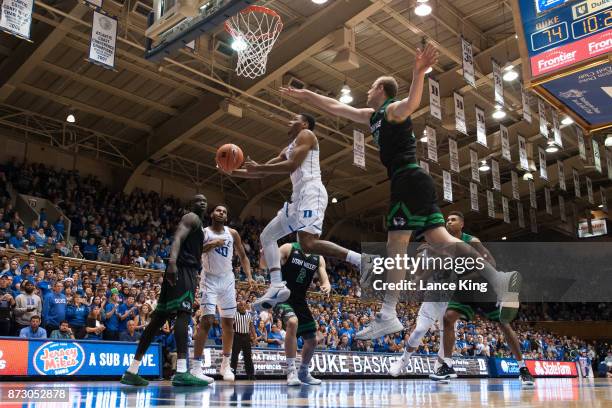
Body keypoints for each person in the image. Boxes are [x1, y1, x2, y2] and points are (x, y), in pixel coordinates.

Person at [280, 45, 520, 340]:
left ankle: (388, 313)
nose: (366, 92)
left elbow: (411, 103)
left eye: (371, 87)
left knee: (397, 246)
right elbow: (336, 107)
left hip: (407, 179)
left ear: (381, 89)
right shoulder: (373, 115)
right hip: (415, 181)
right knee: (443, 240)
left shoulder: (392, 108)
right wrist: (306, 96)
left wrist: (418, 72)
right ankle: (499, 280)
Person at [226, 113, 365, 310]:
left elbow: (292, 165)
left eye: (294, 119)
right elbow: (261, 172)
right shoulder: (287, 149)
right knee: (267, 236)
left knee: (307, 244)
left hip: (311, 192)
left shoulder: (307, 135)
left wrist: (260, 166)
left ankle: (359, 260)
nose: (289, 121)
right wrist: (230, 170)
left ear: (305, 123)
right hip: (298, 198)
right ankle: (276, 285)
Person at [390, 211, 492, 376]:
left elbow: (486, 263)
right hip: (434, 295)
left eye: (453, 220)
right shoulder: (428, 248)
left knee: (447, 330)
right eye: (447, 220)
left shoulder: (469, 242)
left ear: (462, 223)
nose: (449, 222)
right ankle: (404, 359)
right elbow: (420, 273)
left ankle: (440, 366)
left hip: (455, 295)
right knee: (419, 330)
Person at [121, 194, 209, 387]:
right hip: (182, 269)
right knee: (184, 314)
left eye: (204, 200)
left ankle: (132, 370)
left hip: (182, 269)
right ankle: (182, 371)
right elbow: (177, 237)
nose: (202, 202)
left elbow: (192, 247)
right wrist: (171, 263)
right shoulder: (191, 217)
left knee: (158, 320)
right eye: (198, 200)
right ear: (190, 204)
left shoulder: (198, 225)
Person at [191, 204, 252, 383]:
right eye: (218, 210)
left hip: (227, 280)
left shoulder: (232, 233)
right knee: (207, 320)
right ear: (212, 214)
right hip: (208, 279)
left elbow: (243, 256)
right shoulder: (203, 233)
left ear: (226, 217)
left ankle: (226, 364)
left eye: (225, 211)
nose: (221, 213)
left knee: (228, 322)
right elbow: (194, 252)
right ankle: (196, 367)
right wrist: (211, 244)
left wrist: (249, 276)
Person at [274, 242, 331, 385]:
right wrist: (265, 255)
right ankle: (291, 371)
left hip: (300, 301)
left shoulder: (318, 258)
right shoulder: (289, 248)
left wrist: (326, 284)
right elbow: (266, 264)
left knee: (312, 340)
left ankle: (303, 372)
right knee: (292, 322)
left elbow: (325, 279)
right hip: (282, 296)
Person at [230, 301, 256, 380]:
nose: (243, 306)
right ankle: (232, 374)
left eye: (244, 305)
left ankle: (250, 374)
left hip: (246, 336)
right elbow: (231, 326)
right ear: (238, 307)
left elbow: (251, 327)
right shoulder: (235, 314)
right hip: (237, 336)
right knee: (234, 356)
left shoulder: (249, 315)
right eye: (241, 305)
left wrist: (254, 337)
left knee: (248, 356)